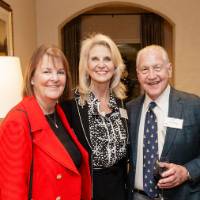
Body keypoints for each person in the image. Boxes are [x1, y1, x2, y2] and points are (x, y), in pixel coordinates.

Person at [0, 44, 91, 200]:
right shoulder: (17, 121)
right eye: (47, 71)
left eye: (60, 72)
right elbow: (11, 192)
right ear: (32, 78)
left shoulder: (59, 113)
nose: (55, 78)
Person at [127, 44, 200, 200]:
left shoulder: (194, 105)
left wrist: (187, 171)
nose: (152, 76)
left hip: (183, 195)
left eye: (157, 68)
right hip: (138, 196)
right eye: (145, 70)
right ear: (138, 74)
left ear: (169, 69)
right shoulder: (130, 110)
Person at [62, 33, 129, 200]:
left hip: (119, 190)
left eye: (107, 59)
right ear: (86, 65)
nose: (101, 65)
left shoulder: (122, 103)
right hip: (87, 190)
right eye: (95, 59)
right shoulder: (70, 104)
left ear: (115, 66)